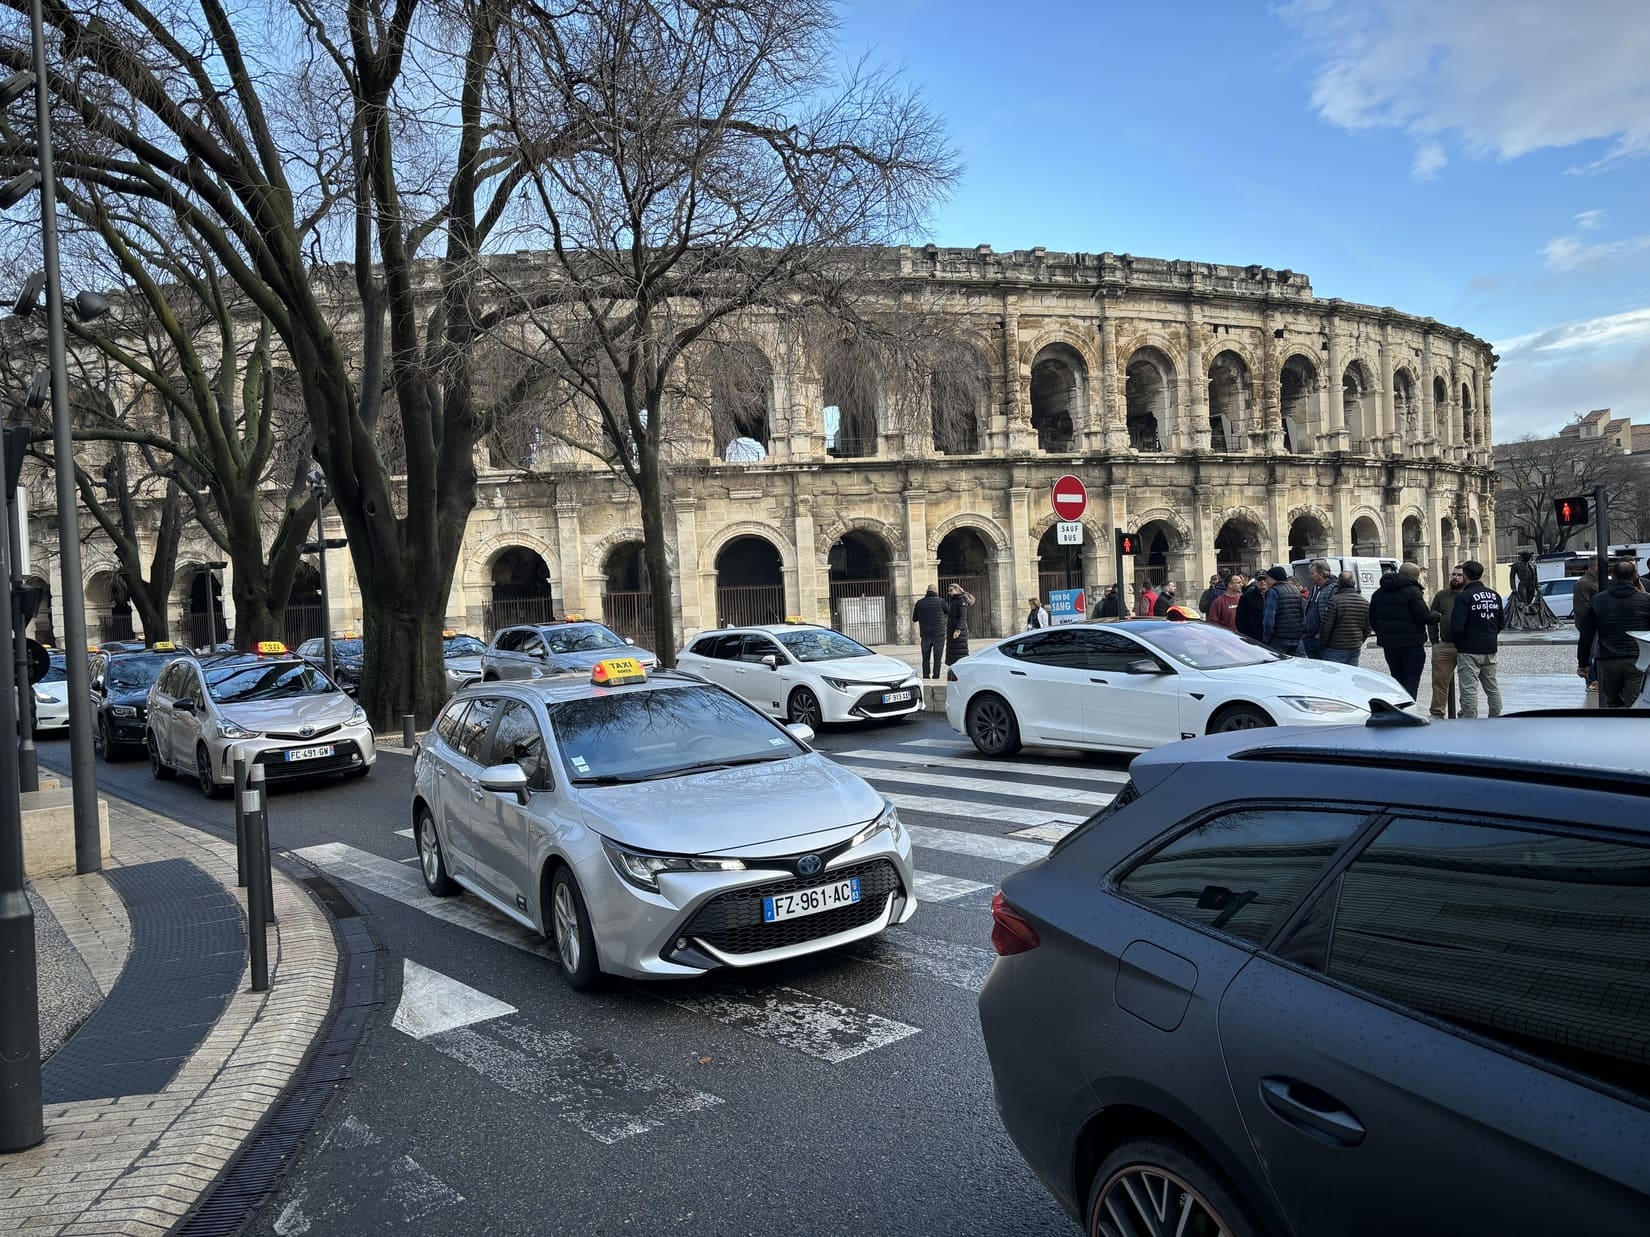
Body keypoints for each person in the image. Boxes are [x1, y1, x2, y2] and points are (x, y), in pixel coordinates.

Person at [1577, 559, 1650, 708]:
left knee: (1613, 706)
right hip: (1638, 660)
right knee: (1635, 705)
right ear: (1635, 576)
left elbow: (1586, 634)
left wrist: (1583, 663)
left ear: (1613, 576)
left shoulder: (1598, 600)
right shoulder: (1646, 600)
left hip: (1608, 660)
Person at [1368, 561, 1433, 700]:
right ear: (1414, 576)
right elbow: (1423, 616)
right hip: (1412, 644)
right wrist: (1437, 616)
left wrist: (1382, 634)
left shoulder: (1378, 593)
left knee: (1397, 679)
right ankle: (1408, 711)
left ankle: (1398, 708)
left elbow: (1372, 619)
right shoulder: (1412, 592)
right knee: (1411, 681)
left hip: (1389, 645)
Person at [1450, 560, 1504, 717]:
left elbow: (1457, 626)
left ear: (1465, 575)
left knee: (1469, 689)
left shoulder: (1464, 597)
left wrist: (1458, 642)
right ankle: (1495, 716)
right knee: (1492, 686)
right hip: (1490, 646)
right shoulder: (1494, 595)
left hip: (1469, 648)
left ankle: (1470, 721)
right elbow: (1501, 622)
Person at [1426, 564, 1465, 719]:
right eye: (1453, 574)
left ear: (1466, 577)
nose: (1455, 577)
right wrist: (1435, 642)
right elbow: (1432, 618)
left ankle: (1465, 712)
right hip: (1445, 645)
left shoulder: (1469, 595)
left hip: (1466, 646)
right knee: (1439, 682)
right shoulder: (1441, 595)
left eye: (1459, 575)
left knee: (1467, 683)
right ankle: (1437, 712)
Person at [1320, 571, 1370, 664]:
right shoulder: (1364, 602)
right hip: (1354, 647)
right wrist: (1359, 641)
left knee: (1334, 675)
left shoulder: (1334, 600)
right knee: (1350, 674)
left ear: (1338, 584)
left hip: (1335, 647)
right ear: (1353, 583)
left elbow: (1326, 626)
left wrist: (1323, 643)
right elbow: (1367, 628)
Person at [1261, 566, 1305, 655]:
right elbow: (1302, 615)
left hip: (1279, 638)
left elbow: (1269, 618)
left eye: (1267, 578)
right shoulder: (1296, 591)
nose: (1266, 581)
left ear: (1273, 578)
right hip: (1295, 637)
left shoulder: (1273, 591)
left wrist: (1266, 637)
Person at [1573, 561, 1601, 692]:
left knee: (1596, 652)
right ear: (1592, 567)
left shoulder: (1600, 581)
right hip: (1589, 624)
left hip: (1598, 623)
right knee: (1591, 653)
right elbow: (1581, 607)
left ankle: (1595, 679)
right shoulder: (1583, 583)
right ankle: (1591, 680)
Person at [1299, 559, 1336, 659]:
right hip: (1309, 637)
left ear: (1321, 574)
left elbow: (1329, 615)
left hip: (1319, 638)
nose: (1309, 576)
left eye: (1312, 573)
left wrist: (1320, 634)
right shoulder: (1314, 588)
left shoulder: (1332, 589)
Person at [912, 584, 946, 680]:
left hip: (925, 634)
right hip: (939, 634)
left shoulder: (919, 603)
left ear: (927, 591)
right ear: (936, 592)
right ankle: (936, 676)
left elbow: (914, 619)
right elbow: (949, 612)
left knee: (925, 658)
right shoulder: (941, 601)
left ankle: (926, 676)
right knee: (937, 657)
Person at [944, 583, 975, 666]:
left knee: (959, 653)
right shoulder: (955, 600)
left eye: (951, 590)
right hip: (953, 630)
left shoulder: (961, 600)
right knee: (954, 653)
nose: (949, 592)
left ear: (957, 590)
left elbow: (962, 617)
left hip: (958, 632)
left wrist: (958, 630)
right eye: (948, 591)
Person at [1235, 572, 1267, 642]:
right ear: (1255, 581)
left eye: (1264, 579)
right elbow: (1240, 617)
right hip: (1253, 637)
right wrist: (1246, 634)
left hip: (1272, 637)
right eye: (1259, 579)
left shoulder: (1274, 595)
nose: (1262, 581)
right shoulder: (1247, 597)